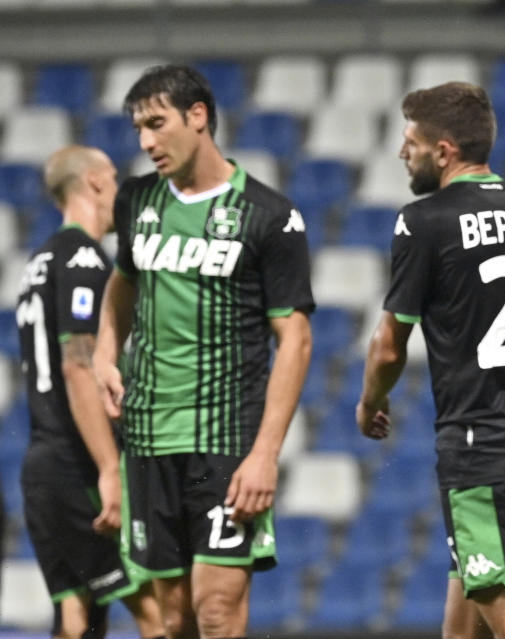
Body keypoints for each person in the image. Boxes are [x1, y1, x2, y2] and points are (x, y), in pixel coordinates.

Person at [356, 82, 505, 639]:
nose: (402, 154)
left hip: (481, 455)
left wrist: (370, 401)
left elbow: (389, 344)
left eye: (410, 143)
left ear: (442, 151)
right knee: (463, 632)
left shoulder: (425, 220)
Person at [92, 65, 314, 639]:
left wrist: (265, 453)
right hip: (147, 437)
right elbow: (124, 278)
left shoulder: (269, 215)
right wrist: (103, 353)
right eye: (139, 128)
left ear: (198, 117)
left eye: (156, 124)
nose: (145, 142)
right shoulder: (136, 199)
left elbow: (296, 338)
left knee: (216, 611)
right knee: (172, 619)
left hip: (225, 442)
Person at [17, 145, 163, 639]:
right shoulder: (82, 259)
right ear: (97, 182)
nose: (120, 191)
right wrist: (107, 468)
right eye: (116, 179)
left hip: (42, 466)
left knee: (78, 620)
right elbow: (78, 366)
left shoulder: (39, 261)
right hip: (78, 463)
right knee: (158, 616)